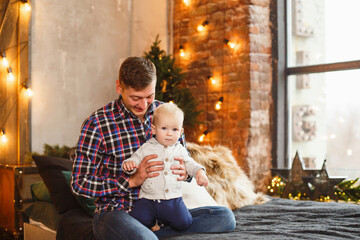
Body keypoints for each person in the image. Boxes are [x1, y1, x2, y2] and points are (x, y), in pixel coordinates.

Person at [71, 56, 236, 240]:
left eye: (149, 96)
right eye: (136, 98)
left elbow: (184, 158)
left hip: (164, 209)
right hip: (116, 213)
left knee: (225, 218)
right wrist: (131, 181)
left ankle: (156, 234)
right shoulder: (97, 124)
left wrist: (186, 173)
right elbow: (79, 183)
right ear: (119, 88)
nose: (143, 105)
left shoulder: (167, 114)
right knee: (144, 238)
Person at [122, 103, 208, 232]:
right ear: (154, 129)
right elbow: (135, 160)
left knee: (184, 223)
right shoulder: (147, 147)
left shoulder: (179, 149)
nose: (169, 134)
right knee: (137, 220)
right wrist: (129, 165)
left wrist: (200, 173)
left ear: (181, 132)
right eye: (164, 128)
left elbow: (190, 164)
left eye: (174, 130)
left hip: (172, 199)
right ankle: (151, 223)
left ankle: (165, 225)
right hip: (148, 199)